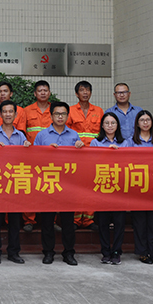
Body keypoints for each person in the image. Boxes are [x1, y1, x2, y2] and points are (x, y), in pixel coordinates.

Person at [34, 101, 84, 266]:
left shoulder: (74, 135)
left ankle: (69, 253)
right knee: (47, 221)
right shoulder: (42, 136)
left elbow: (80, 161)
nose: (60, 117)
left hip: (68, 185)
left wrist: (80, 148)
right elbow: (33, 159)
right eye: (57, 114)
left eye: (63, 114)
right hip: (48, 183)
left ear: (67, 116)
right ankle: (48, 252)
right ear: (51, 115)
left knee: (68, 222)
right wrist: (46, 151)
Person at [0, 100, 26, 265]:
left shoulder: (21, 136)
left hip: (16, 183)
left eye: (11, 111)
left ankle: (14, 252)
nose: (8, 114)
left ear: (15, 114)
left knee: (15, 221)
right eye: (5, 111)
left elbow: (26, 160)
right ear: (0, 114)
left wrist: (28, 149)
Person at [90, 112, 131, 265]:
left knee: (119, 222)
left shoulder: (125, 143)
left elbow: (128, 163)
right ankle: (105, 251)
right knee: (103, 222)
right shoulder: (96, 142)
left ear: (117, 125)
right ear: (102, 125)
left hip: (119, 188)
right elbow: (91, 163)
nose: (110, 126)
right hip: (102, 187)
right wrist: (107, 153)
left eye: (113, 123)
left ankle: (116, 251)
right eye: (107, 123)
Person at [66, 80, 103, 230]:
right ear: (76, 94)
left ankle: (88, 219)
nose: (85, 92)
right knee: (76, 187)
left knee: (91, 186)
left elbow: (102, 132)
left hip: (93, 155)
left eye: (87, 90)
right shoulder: (70, 111)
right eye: (82, 90)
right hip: (76, 155)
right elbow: (66, 132)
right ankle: (75, 220)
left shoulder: (99, 111)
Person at [130, 109, 153, 265]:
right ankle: (142, 252)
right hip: (137, 187)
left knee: (152, 222)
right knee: (139, 222)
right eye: (142, 120)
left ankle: (152, 251)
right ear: (137, 123)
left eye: (148, 120)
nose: (145, 123)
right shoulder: (130, 141)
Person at [21, 80, 52, 233]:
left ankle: (51, 220)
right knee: (30, 187)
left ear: (49, 93)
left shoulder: (55, 110)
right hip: (31, 156)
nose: (43, 93)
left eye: (45, 90)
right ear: (34, 93)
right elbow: (21, 132)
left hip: (51, 157)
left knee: (51, 187)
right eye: (40, 90)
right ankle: (29, 220)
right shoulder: (26, 111)